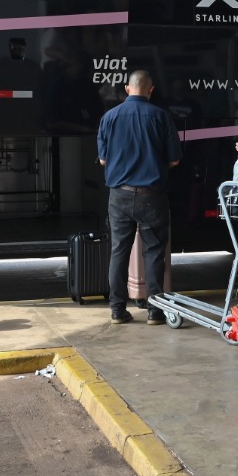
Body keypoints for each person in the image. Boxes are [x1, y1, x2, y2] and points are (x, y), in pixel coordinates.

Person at [97, 70, 181, 325]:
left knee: (119, 251)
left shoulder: (109, 117)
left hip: (119, 196)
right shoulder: (161, 117)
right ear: (151, 89)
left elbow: (103, 159)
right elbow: (174, 159)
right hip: (152, 196)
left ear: (126, 88)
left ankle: (117, 310)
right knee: (154, 253)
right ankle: (155, 312)